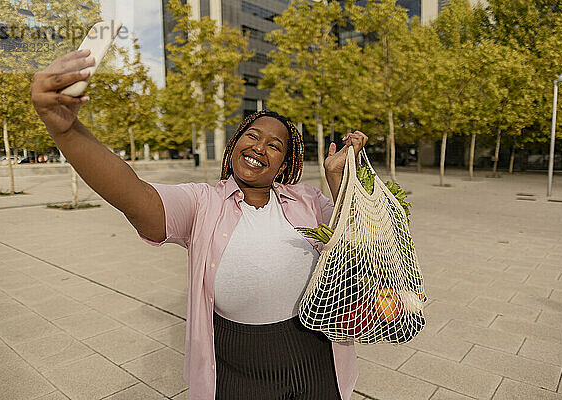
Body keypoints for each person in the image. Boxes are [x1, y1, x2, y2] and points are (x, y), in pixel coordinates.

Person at [31, 49, 368, 400]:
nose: (260, 147)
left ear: (283, 165)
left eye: (274, 145)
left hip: (313, 351)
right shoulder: (201, 202)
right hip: (236, 364)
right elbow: (133, 194)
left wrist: (337, 178)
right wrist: (68, 131)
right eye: (252, 136)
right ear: (235, 143)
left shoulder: (308, 201)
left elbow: (358, 237)